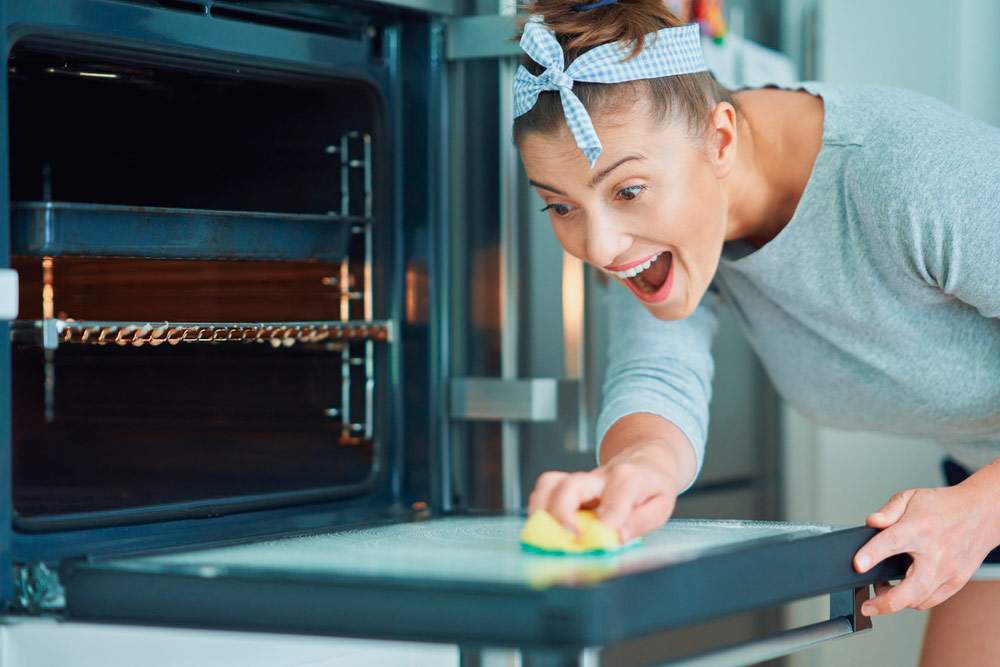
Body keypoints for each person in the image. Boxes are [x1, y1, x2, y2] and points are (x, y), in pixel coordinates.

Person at [511, 0, 1000, 664]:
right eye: (560, 204)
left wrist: (977, 510)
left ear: (720, 140)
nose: (597, 244)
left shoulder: (909, 173)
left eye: (626, 191)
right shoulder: (676, 231)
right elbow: (658, 374)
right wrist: (634, 472)